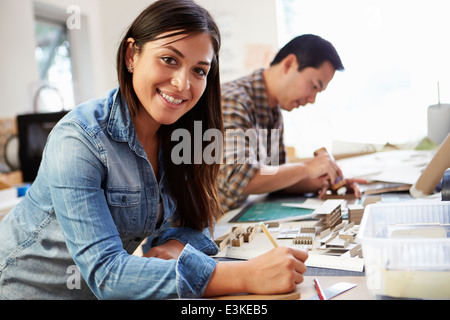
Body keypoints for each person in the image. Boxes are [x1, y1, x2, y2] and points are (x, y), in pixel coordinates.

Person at [0, 0, 307, 300]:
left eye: (199, 71)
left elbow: (199, 220)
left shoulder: (186, 135)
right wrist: (244, 275)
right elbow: (108, 275)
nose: (182, 83)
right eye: (169, 59)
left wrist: (177, 245)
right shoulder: (79, 139)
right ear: (132, 55)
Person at [217, 34, 364, 212]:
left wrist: (327, 180)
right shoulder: (234, 100)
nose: (312, 99)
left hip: (237, 213)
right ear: (289, 64)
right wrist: (307, 168)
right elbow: (236, 178)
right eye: (314, 86)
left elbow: (276, 178)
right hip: (207, 223)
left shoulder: (273, 110)